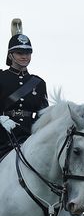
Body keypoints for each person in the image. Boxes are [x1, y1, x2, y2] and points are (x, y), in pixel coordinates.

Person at [0, 18, 48, 158]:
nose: (24, 56)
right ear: (10, 55)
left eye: (27, 53)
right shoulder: (1, 78)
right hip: (3, 136)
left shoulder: (38, 83)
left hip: (29, 137)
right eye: (20, 53)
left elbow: (43, 115)